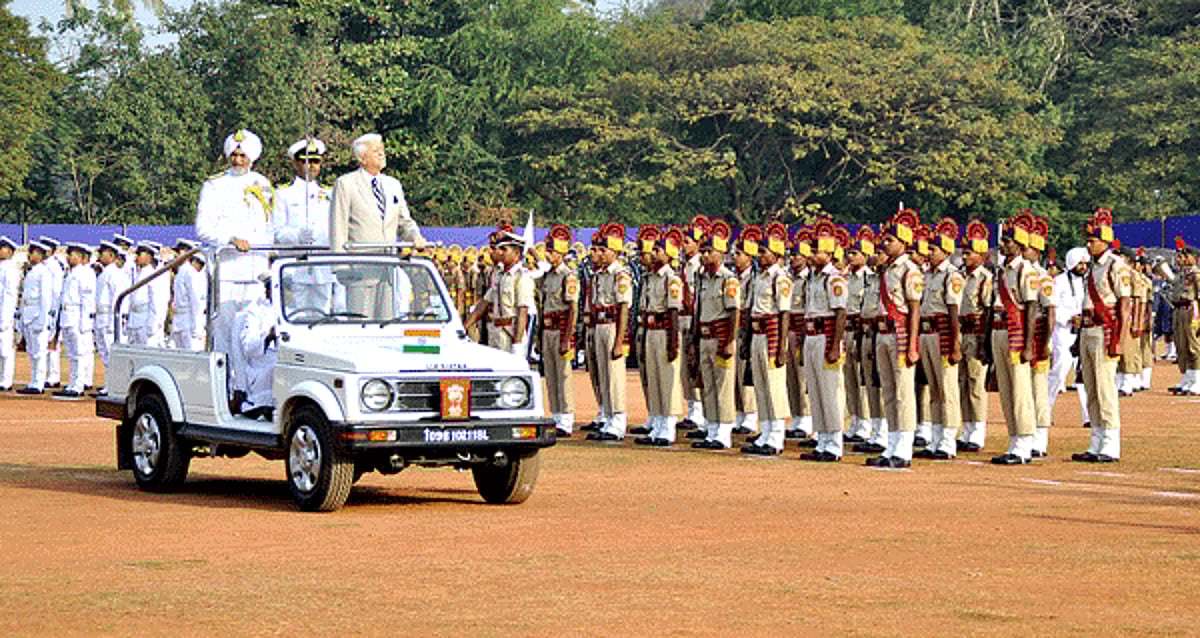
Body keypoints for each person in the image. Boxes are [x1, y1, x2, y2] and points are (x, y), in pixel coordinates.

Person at [196, 129, 274, 395]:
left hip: (256, 272)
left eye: (243, 155)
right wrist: (231, 238)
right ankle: (225, 390)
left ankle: (251, 390)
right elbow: (203, 228)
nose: (238, 160)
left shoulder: (263, 184)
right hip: (227, 271)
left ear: (252, 157)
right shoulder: (215, 185)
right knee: (226, 334)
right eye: (234, 155)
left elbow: (270, 227)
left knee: (254, 335)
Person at [865, 209, 923, 468]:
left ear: (903, 242)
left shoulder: (909, 270)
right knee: (888, 390)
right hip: (883, 332)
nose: (884, 244)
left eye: (889, 240)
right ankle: (891, 443)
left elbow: (914, 310)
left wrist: (912, 345)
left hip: (899, 331)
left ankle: (904, 447)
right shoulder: (886, 269)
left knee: (903, 391)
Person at [1073, 208, 1131, 463]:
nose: (1088, 245)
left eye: (1092, 240)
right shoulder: (1091, 267)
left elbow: (1125, 304)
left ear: (1105, 241)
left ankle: (1110, 443)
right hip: (1087, 329)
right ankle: (1096, 441)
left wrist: (1120, 338)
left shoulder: (1115, 265)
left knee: (1105, 388)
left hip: (1105, 330)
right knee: (1091, 388)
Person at [989, 212, 1040, 465]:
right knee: (1006, 391)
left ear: (1019, 244)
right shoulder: (1002, 270)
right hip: (999, 329)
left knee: (1020, 389)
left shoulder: (1025, 270)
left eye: (1009, 240)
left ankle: (1024, 442)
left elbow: (1031, 307)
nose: (1004, 244)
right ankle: (1013, 439)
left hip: (1016, 331)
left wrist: (1029, 344)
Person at [913, 218, 965, 460]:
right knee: (934, 388)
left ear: (945, 251)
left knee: (947, 388)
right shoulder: (927, 275)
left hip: (943, 334)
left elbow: (954, 312)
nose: (928, 253)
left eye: (933, 249)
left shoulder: (951, 276)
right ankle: (935, 437)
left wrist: (955, 345)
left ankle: (947, 439)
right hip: (926, 333)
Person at [798, 219, 847, 462]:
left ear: (828, 253)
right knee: (815, 390)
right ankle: (822, 439)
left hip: (827, 336)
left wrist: (835, 345)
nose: (811, 254)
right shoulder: (812, 277)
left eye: (816, 250)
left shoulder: (834, 278)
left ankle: (835, 442)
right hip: (811, 336)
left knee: (830, 390)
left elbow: (840, 313)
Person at [742, 222, 793, 456]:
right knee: (761, 385)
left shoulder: (780, 278)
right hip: (757, 333)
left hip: (772, 333)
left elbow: (784, 313)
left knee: (774, 386)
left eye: (764, 251)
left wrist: (782, 346)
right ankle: (766, 431)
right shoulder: (758, 277)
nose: (759, 255)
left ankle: (776, 435)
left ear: (776, 253)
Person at [690, 219, 741, 450]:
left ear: (720, 252)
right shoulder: (702, 277)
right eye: (702, 251)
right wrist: (693, 340)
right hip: (704, 336)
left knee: (722, 384)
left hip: (721, 336)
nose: (704, 255)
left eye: (708, 251)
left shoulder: (728, 279)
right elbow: (698, 310)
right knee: (707, 383)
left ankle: (723, 430)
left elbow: (734, 312)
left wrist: (730, 340)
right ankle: (711, 427)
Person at [329, 133, 425, 252]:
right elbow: (338, 228)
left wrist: (415, 237)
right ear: (362, 158)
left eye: (382, 150)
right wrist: (341, 266)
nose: (381, 154)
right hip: (360, 264)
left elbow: (404, 222)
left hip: (389, 262)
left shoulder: (393, 185)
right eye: (375, 151)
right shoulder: (345, 184)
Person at [634, 227, 684, 447]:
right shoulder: (650, 277)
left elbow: (673, 311)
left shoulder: (671, 279)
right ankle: (658, 423)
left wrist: (673, 343)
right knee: (653, 379)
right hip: (650, 331)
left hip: (664, 331)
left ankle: (669, 425)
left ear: (669, 254)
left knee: (667, 380)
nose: (653, 253)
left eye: (658, 249)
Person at [583, 223, 633, 441]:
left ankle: (618, 419)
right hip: (598, 326)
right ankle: (607, 415)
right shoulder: (598, 275)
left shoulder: (619, 275)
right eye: (595, 249)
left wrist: (620, 341)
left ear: (613, 252)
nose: (596, 254)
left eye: (602, 250)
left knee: (613, 375)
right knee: (600, 374)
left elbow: (623, 308)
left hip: (612, 326)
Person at [538, 224, 580, 437]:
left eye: (552, 251)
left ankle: (566, 417)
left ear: (561, 253)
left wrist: (567, 337)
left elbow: (572, 308)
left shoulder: (568, 276)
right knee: (551, 375)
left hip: (561, 328)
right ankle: (555, 414)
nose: (548, 255)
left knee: (563, 375)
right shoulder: (548, 276)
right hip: (547, 330)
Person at [464, 231, 535, 357]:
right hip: (495, 333)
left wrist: (517, 344)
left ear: (516, 253)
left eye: (504, 249)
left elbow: (522, 313)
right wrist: (465, 327)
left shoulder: (521, 278)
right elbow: (484, 304)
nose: (500, 253)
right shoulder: (500, 276)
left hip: (510, 335)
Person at [956, 220, 994, 453]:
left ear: (980, 254)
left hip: (976, 332)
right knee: (961, 382)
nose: (964, 257)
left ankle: (978, 432)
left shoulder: (985, 278)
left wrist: (984, 342)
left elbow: (987, 309)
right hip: (960, 332)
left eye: (968, 253)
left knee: (976, 384)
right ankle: (966, 429)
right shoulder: (960, 276)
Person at [1025, 216, 1055, 457]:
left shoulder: (1043, 277)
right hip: (1021, 333)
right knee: (1023, 387)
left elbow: (1051, 311)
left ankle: (1040, 438)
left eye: (1027, 248)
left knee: (1038, 387)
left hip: (1038, 332)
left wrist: (1045, 342)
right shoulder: (1019, 273)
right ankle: (1026, 433)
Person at [842, 226, 874, 444]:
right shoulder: (845, 278)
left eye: (855, 253)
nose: (850, 257)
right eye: (849, 253)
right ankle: (854, 419)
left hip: (861, 331)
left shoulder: (869, 279)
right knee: (849, 379)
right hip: (846, 331)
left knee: (863, 378)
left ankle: (866, 422)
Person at [54, 243, 97, 398]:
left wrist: (85, 323)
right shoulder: (71, 273)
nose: (70, 257)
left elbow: (87, 300)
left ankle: (78, 385)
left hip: (77, 316)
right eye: (70, 254)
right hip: (68, 316)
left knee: (79, 352)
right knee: (71, 354)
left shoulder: (85, 273)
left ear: (83, 257)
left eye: (74, 254)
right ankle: (72, 383)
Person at [232, 273, 278, 421]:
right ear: (268, 290)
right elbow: (249, 347)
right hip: (262, 377)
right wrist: (268, 335)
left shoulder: (290, 309)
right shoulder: (254, 311)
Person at [783, 227, 813, 443]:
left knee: (803, 378)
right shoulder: (788, 278)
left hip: (803, 330)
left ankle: (807, 418)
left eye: (797, 254)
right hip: (789, 330)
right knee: (790, 378)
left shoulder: (809, 279)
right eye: (791, 254)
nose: (793, 258)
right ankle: (796, 416)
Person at [18, 240, 57, 395]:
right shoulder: (32, 271)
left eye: (33, 252)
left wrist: (43, 320)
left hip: (36, 315)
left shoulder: (44, 272)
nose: (30, 255)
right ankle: (34, 380)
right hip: (28, 314)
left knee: (39, 351)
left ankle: (38, 382)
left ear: (40, 255)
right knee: (32, 351)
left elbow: (46, 298)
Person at [94, 240, 131, 396]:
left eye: (103, 253)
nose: (100, 256)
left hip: (110, 317)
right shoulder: (105, 273)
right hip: (101, 316)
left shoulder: (116, 274)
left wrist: (115, 321)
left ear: (111, 255)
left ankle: (116, 386)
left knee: (113, 354)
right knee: (105, 354)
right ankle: (109, 385)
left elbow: (118, 299)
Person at [1168, 240, 1200, 395]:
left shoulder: (1196, 274)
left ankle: (1197, 380)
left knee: (1194, 347)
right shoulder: (1181, 274)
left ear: (1193, 258)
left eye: (1184, 256)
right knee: (1182, 346)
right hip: (1180, 310)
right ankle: (1187, 378)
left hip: (1191, 309)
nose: (1180, 259)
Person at [126, 242, 170, 347]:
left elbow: (157, 301)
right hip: (135, 321)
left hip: (146, 320)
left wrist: (153, 324)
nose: (137, 257)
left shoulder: (154, 274)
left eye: (140, 254)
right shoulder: (138, 273)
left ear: (149, 257)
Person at [170, 240, 208, 351]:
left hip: (189, 323)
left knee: (192, 356)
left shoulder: (190, 273)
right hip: (180, 321)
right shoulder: (181, 271)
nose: (175, 256)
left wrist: (196, 326)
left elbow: (196, 300)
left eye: (179, 252)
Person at [0, 237, 19, 391]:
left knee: (5, 349)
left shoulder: (10, 269)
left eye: (3, 248)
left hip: (4, 313)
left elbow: (9, 295)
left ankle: (6, 380)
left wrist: (6, 317)